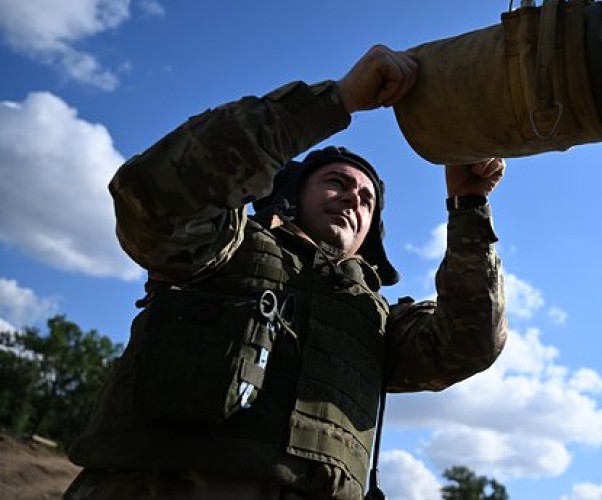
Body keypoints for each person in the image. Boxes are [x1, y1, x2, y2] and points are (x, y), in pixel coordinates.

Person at [63, 45, 508, 500]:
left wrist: (468, 204)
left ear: (370, 234)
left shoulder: (378, 323)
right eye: (336, 181)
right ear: (291, 195)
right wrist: (336, 101)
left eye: (367, 200)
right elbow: (151, 193)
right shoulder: (225, 245)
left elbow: (469, 344)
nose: (354, 198)